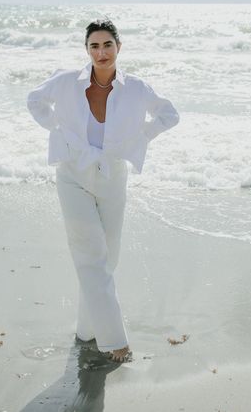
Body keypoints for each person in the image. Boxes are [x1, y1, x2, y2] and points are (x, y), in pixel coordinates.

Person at [26, 18, 179, 363]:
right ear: (87, 50)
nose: (101, 52)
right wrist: (58, 131)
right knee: (89, 254)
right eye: (94, 46)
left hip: (112, 177)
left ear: (118, 47)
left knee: (107, 258)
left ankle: (87, 330)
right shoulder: (67, 82)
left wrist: (141, 137)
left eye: (107, 44)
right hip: (72, 175)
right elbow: (34, 100)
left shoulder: (136, 88)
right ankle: (114, 341)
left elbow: (169, 114)